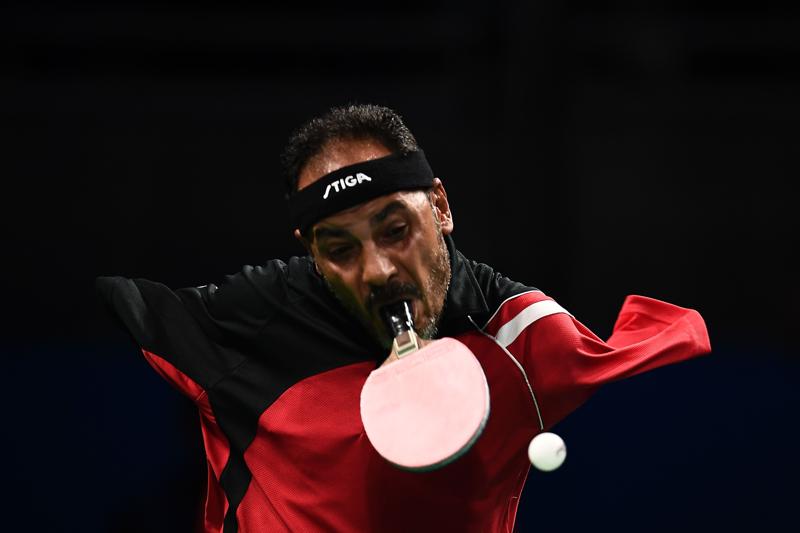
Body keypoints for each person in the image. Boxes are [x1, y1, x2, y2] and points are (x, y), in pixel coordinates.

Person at [96, 104, 711, 532]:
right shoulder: (255, 320)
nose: (379, 271)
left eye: (396, 230)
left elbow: (659, 337)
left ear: (439, 207)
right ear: (311, 254)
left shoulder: (518, 337)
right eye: (340, 249)